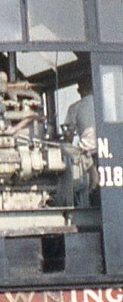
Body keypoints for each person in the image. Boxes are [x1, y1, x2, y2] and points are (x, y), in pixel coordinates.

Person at [62, 76, 97, 207]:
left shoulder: (75, 107)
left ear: (80, 90)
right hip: (105, 150)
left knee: (86, 186)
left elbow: (68, 137)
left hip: (87, 153)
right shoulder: (104, 104)